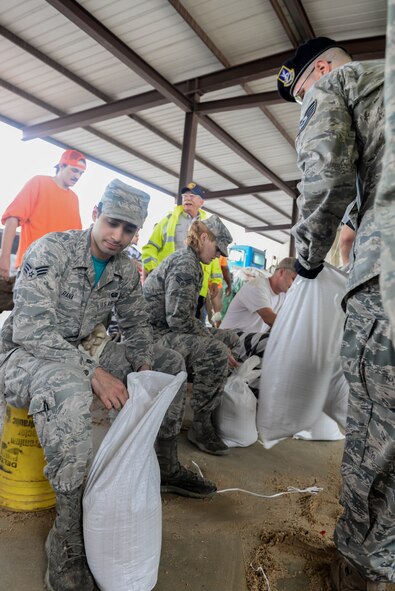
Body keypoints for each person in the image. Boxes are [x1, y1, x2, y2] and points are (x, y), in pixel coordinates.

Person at [0, 179, 209, 591]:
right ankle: (66, 539)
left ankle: (163, 463)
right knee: (70, 390)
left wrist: (146, 369)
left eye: (129, 229)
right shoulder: (53, 251)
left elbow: (135, 326)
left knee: (169, 362)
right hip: (25, 354)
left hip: (82, 347)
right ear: (96, 214)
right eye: (113, 223)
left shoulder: (124, 271)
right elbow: (30, 329)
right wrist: (93, 373)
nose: (118, 236)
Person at [277, 37, 395, 590]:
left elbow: (326, 180)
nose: (306, 102)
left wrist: (305, 261)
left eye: (301, 92)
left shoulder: (336, 86)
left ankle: (356, 568)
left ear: (319, 69)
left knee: (378, 431)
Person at [143, 215, 240, 457]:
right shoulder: (186, 264)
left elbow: (183, 320)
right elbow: (178, 320)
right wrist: (213, 342)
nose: (218, 256)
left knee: (231, 339)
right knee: (217, 350)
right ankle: (201, 425)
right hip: (152, 335)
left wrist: (217, 338)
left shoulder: (192, 263)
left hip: (167, 329)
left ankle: (207, 402)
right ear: (204, 237)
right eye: (218, 249)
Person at [0, 149, 86, 282]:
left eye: (81, 173)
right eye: (74, 170)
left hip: (59, 273)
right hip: (33, 267)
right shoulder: (38, 183)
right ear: (62, 165)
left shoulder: (74, 199)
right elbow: (12, 219)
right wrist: (4, 257)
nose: (77, 176)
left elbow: (76, 240)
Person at [141, 182, 223, 317]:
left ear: (201, 202)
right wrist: (156, 270)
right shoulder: (168, 221)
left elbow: (212, 253)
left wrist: (215, 280)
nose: (187, 198)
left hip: (196, 287)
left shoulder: (208, 226)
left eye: (192, 195)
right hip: (169, 285)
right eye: (185, 195)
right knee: (169, 325)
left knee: (192, 326)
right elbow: (150, 248)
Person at [220, 257, 296, 360]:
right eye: (293, 279)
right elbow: (269, 319)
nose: (294, 285)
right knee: (275, 343)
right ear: (281, 272)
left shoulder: (282, 295)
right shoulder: (258, 286)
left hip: (246, 340)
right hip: (228, 339)